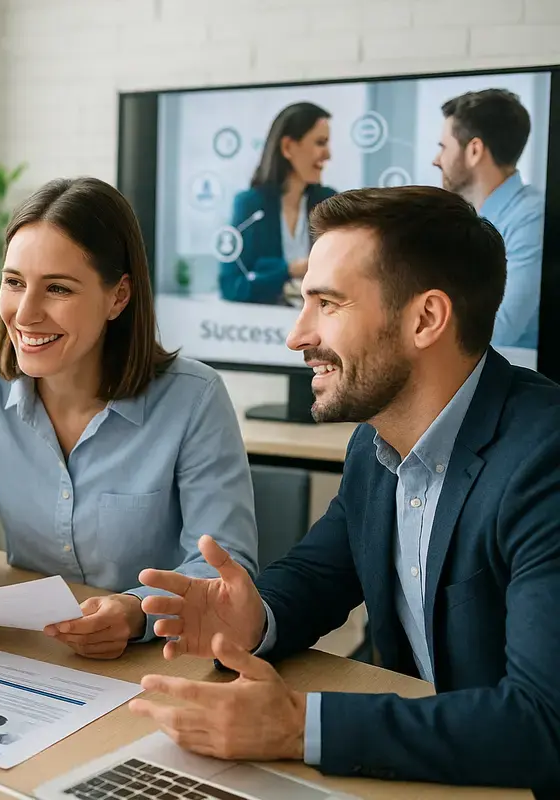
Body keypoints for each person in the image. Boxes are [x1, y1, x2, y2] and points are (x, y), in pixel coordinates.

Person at [130, 187, 560, 793]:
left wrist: (297, 727)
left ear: (425, 319)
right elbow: (322, 572)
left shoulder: (544, 461)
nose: (297, 336)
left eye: (326, 304)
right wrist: (256, 616)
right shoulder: (376, 442)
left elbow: (543, 724)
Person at [0, 177, 258, 660]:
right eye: (14, 282)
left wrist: (138, 612)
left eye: (57, 288)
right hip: (29, 652)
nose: (26, 314)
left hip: (156, 659)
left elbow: (221, 567)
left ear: (118, 297)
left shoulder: (194, 398)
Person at [434, 88, 543, 351]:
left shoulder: (533, 218)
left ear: (474, 151)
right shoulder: (460, 217)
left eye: (444, 147)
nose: (436, 160)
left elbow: (501, 329)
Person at [219, 102, 336, 306]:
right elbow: (232, 286)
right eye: (320, 143)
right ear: (288, 147)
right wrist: (290, 270)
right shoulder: (250, 206)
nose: (328, 154)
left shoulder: (329, 202)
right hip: (264, 329)